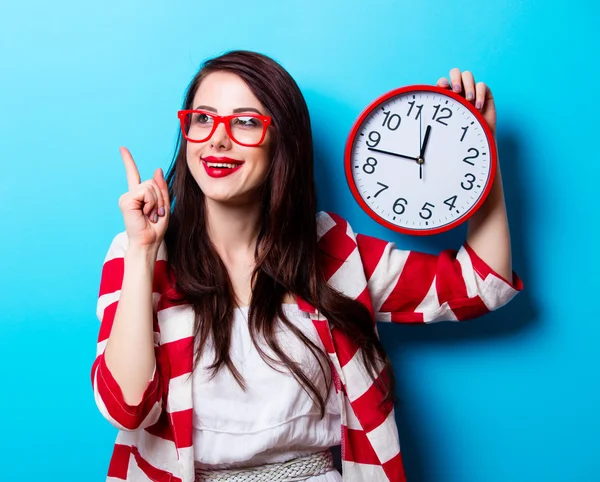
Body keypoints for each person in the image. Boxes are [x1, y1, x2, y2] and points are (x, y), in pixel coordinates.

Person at [92, 50, 522, 482]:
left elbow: (483, 283)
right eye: (203, 118)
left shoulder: (334, 252)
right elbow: (127, 409)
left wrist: (480, 146)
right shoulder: (137, 253)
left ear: (283, 140)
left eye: (245, 122)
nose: (216, 139)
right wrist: (143, 251)